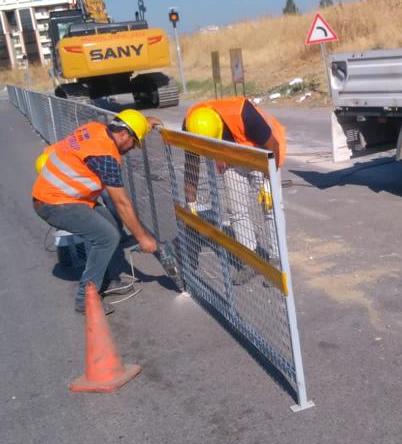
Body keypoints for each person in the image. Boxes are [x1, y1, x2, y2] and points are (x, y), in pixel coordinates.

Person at [32, 109, 162, 314]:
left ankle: (106, 282)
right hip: (54, 203)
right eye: (134, 143)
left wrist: (143, 124)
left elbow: (128, 125)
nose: (132, 149)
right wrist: (143, 238)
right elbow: (122, 203)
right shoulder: (106, 156)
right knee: (107, 236)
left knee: (110, 225)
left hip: (67, 196)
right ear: (124, 135)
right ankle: (86, 300)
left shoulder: (95, 129)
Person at [181, 98, 286, 279]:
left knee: (271, 207)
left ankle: (277, 260)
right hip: (231, 158)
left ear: (219, 132)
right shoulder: (191, 124)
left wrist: (269, 185)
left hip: (262, 155)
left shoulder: (244, 114)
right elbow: (192, 165)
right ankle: (250, 260)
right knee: (236, 211)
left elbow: (273, 146)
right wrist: (191, 204)